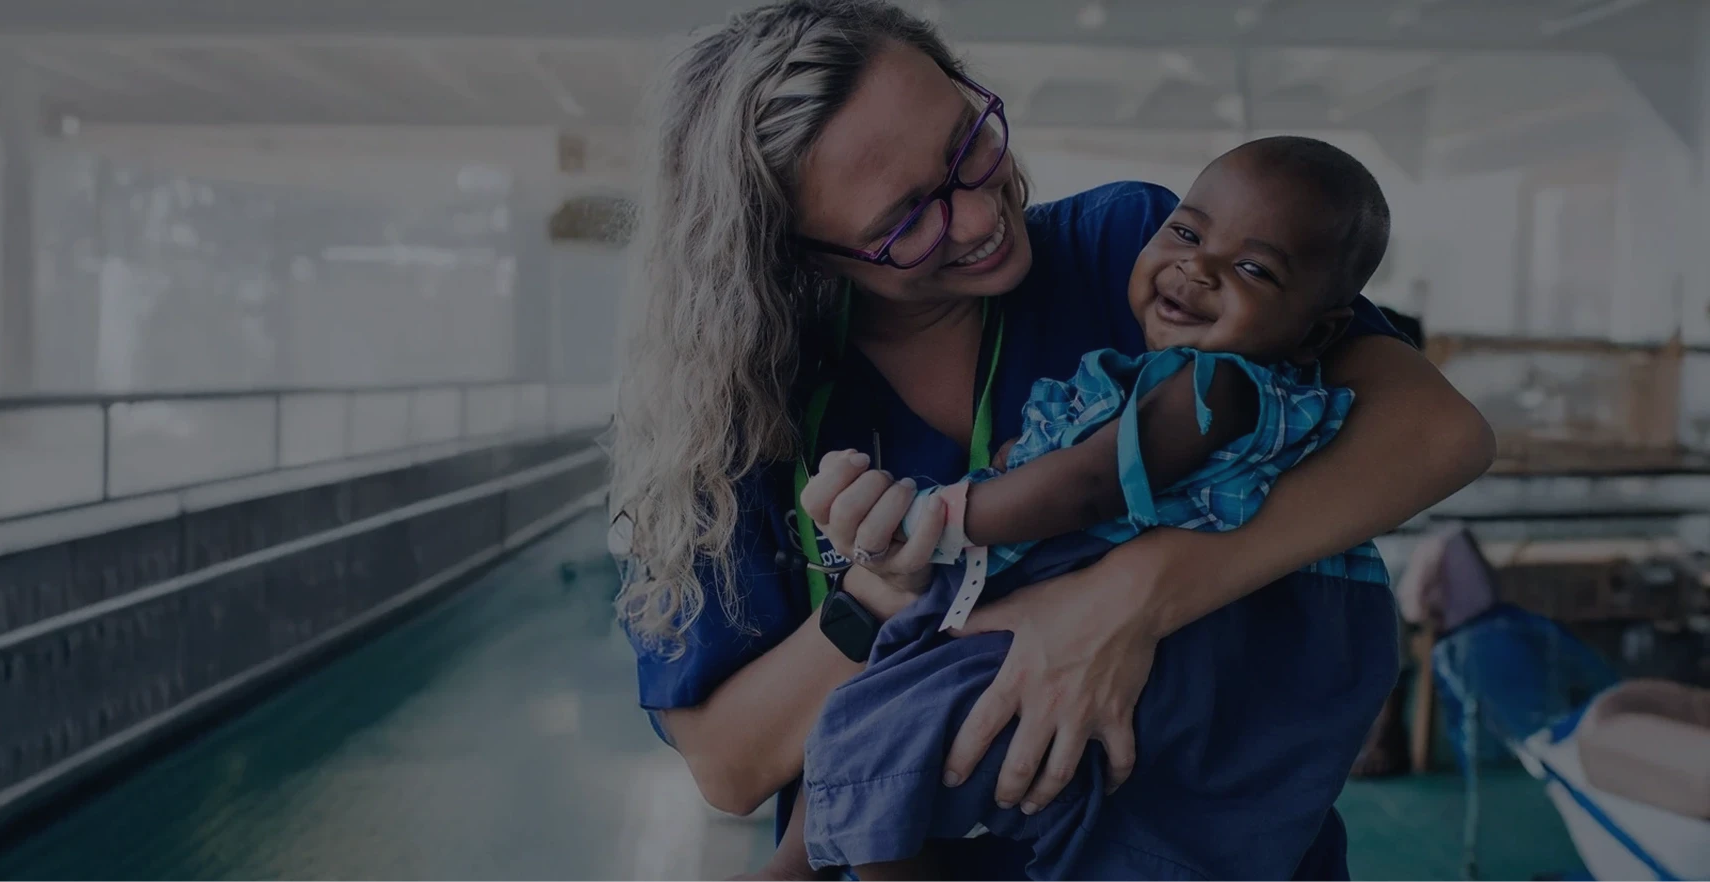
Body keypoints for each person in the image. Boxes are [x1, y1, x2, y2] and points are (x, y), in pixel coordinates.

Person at [606, 2, 1497, 880]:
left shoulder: (1136, 255)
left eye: (968, 141)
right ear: (793, 254)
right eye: (905, 221)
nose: (979, 214)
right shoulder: (739, 411)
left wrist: (1128, 600)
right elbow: (727, 765)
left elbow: (1435, 432)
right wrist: (877, 593)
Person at [742, 136, 1403, 882]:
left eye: (1253, 268)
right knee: (873, 705)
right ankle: (801, 865)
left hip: (1191, 633)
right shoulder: (1140, 377)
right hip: (1059, 590)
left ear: (1316, 330)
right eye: (1186, 233)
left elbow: (1087, 485)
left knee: (917, 720)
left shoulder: (1222, 389)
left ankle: (806, 867)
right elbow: (1039, 457)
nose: (1198, 267)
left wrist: (944, 515)